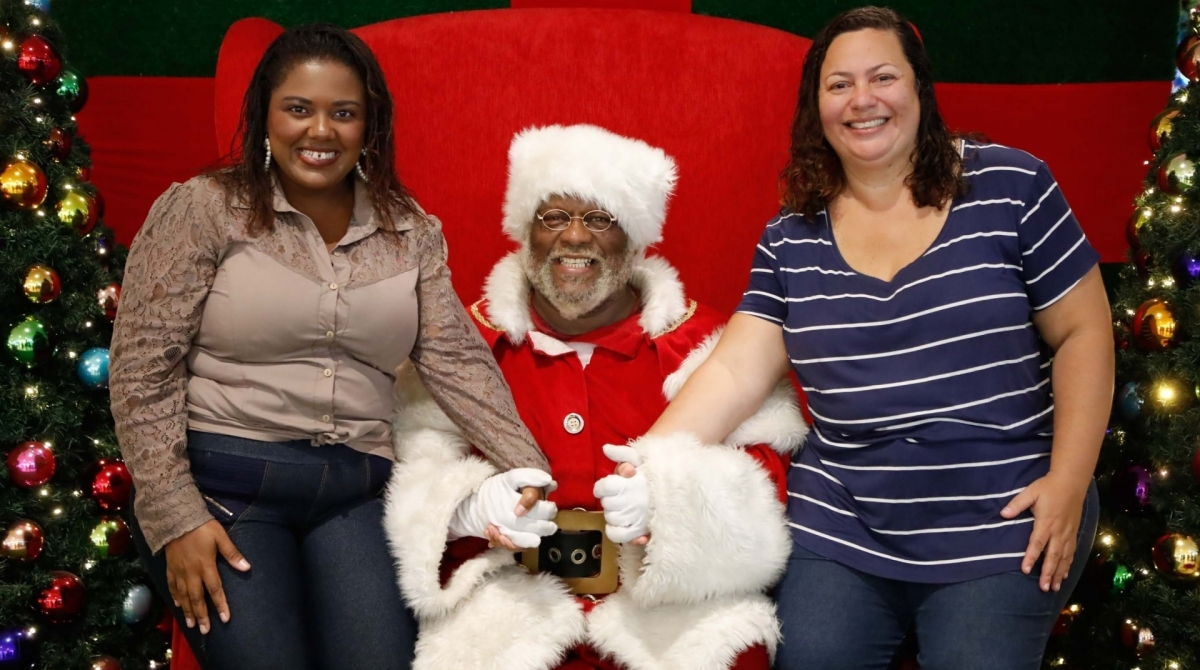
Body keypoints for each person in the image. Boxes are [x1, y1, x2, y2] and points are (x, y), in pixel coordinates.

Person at [644, 7, 1111, 669]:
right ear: (817, 107)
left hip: (1001, 515)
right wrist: (643, 470)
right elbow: (730, 376)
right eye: (839, 85)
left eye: (883, 77)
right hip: (845, 524)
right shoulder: (790, 239)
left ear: (918, 89)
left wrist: (1068, 482)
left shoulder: (1012, 185)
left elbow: (1084, 334)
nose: (862, 100)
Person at [110, 24, 549, 670]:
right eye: (298, 109)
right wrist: (175, 518)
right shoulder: (205, 210)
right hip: (225, 485)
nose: (320, 131)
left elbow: (456, 360)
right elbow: (142, 369)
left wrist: (531, 471)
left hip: (352, 490)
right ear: (265, 116)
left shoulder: (408, 230)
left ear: (369, 127)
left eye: (343, 113)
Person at [382, 123, 807, 669]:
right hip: (506, 607)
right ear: (525, 232)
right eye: (553, 217)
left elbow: (768, 477)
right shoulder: (464, 347)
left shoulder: (705, 347)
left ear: (634, 239)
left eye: (600, 219)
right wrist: (465, 507)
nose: (575, 237)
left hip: (670, 614)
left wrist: (674, 503)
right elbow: (414, 462)